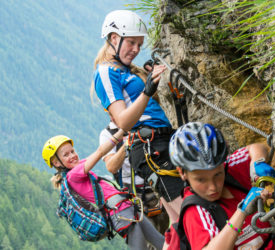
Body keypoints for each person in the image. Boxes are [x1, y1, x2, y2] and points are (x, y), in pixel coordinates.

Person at [92, 9, 184, 224]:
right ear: (114, 38)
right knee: (189, 213)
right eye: (131, 43)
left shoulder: (124, 70)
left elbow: (146, 107)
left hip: (157, 142)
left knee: (177, 220)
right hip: (149, 146)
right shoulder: (106, 72)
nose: (136, 50)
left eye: (139, 45)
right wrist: (147, 90)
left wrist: (149, 81)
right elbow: (123, 120)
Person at [166, 122, 275, 249]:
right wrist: (242, 212)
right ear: (182, 172)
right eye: (201, 180)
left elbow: (256, 148)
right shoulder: (195, 211)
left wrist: (256, 163)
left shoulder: (230, 169)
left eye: (217, 175)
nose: (213, 187)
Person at [42, 132, 164, 250]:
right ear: (56, 162)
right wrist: (121, 131)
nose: (72, 155)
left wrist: (121, 137)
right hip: (121, 214)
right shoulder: (73, 176)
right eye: (66, 155)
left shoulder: (78, 168)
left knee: (160, 241)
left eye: (72, 151)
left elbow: (97, 153)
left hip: (125, 208)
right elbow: (100, 152)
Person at [99, 120, 169, 234]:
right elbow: (111, 167)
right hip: (135, 195)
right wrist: (127, 144)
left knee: (167, 234)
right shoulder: (108, 133)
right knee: (149, 238)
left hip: (157, 187)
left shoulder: (142, 122)